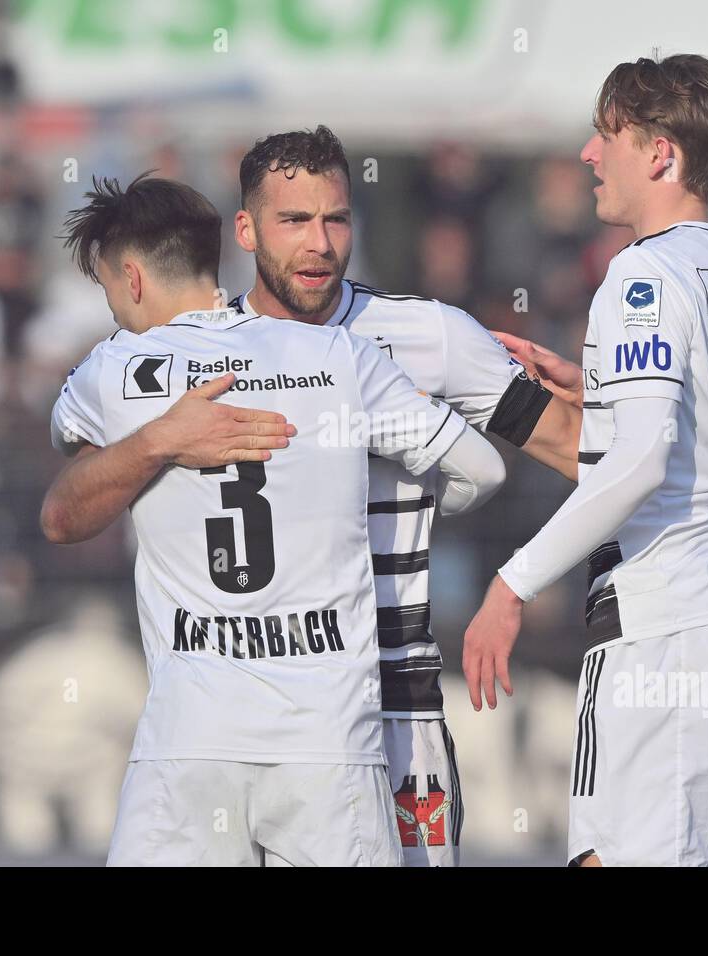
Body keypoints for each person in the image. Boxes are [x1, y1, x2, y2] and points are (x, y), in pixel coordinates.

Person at [45, 126, 708, 866]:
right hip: (238, 705)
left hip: (393, 701)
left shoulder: (428, 335)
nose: (319, 244)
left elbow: (582, 449)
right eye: (294, 222)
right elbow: (73, 501)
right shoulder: (191, 356)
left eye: (336, 219)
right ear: (245, 230)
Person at [42, 173, 505, 866]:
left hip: (189, 745)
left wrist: (160, 440)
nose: (113, 309)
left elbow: (63, 515)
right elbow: (482, 468)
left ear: (132, 279)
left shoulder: (113, 372)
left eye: (109, 290)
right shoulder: (336, 356)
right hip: (329, 747)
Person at [463, 54, 708, 867]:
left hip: (663, 625)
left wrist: (514, 582)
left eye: (607, 134)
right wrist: (600, 391)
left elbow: (646, 459)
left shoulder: (641, 274)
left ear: (661, 155)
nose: (589, 154)